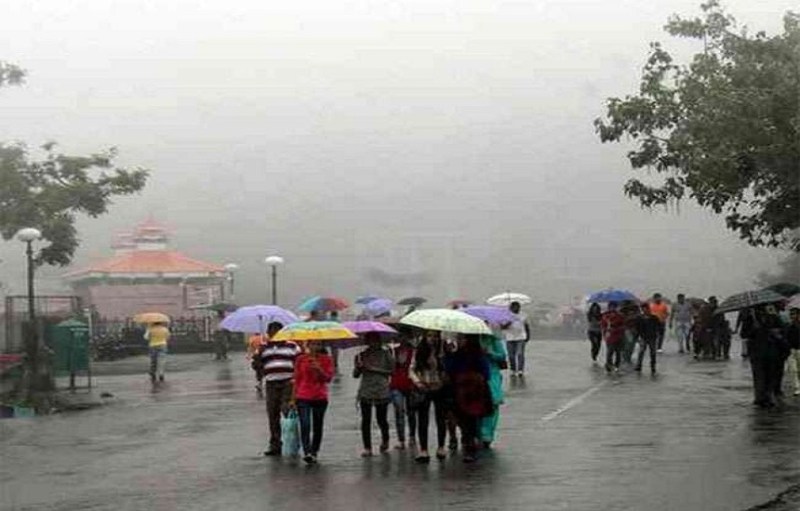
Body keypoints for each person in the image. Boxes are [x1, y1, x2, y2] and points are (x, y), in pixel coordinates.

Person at [254, 322, 300, 456]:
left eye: (277, 331)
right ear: (268, 333)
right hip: (271, 384)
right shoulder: (263, 348)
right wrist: (257, 358)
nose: (274, 334)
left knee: (287, 412)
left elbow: (299, 362)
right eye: (272, 331)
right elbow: (257, 367)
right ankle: (275, 445)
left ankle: (292, 443)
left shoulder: (292, 346)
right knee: (272, 414)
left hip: (289, 383)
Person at [444, 335, 492, 463]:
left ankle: (470, 447)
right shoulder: (456, 355)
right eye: (459, 339)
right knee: (461, 419)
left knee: (471, 420)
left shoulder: (478, 355)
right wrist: (448, 354)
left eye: (462, 339)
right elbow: (449, 370)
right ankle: (469, 443)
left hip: (474, 393)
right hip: (459, 392)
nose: (459, 342)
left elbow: (486, 374)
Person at [353, 332, 394, 457]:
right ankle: (367, 447)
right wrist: (359, 367)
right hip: (366, 390)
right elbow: (355, 375)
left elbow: (392, 371)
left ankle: (385, 440)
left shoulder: (386, 354)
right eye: (370, 340)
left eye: (376, 340)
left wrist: (373, 369)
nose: (373, 343)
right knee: (366, 420)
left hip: (382, 390)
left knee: (381, 419)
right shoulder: (361, 355)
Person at [409, 331, 447, 463]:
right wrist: (418, 382)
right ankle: (423, 449)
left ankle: (441, 447)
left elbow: (447, 369)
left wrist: (441, 360)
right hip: (424, 388)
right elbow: (412, 369)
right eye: (430, 336)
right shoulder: (419, 350)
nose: (432, 339)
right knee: (423, 419)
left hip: (439, 387)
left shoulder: (443, 350)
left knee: (441, 418)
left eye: (435, 336)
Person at [293, 342, 334, 464]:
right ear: (308, 345)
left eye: (317, 344)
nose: (315, 347)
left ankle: (315, 451)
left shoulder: (326, 359)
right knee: (305, 424)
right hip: (303, 396)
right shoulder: (301, 359)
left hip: (320, 396)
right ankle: (307, 452)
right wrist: (292, 398)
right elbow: (297, 378)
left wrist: (319, 368)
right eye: (312, 344)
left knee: (317, 426)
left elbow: (328, 378)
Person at [478, 333, 507, 449]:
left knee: (493, 403)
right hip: (476, 374)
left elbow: (502, 356)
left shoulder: (493, 339)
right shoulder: (470, 338)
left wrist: (490, 353)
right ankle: (477, 433)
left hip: (492, 374)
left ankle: (487, 434)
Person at [389, 333, 417, 450]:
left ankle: (412, 436)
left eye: (406, 336)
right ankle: (401, 440)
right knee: (399, 411)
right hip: (396, 385)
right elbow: (389, 367)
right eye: (401, 336)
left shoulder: (414, 352)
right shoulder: (393, 351)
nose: (403, 338)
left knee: (411, 412)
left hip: (410, 385)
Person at [502, 301, 530, 377]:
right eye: (514, 307)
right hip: (510, 337)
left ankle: (520, 370)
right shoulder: (506, 316)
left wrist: (528, 336)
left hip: (521, 337)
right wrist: (508, 322)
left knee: (520, 354)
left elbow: (527, 326)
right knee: (511, 355)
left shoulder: (523, 315)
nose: (516, 309)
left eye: (517, 307)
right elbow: (502, 327)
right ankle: (513, 369)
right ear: (511, 308)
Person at [635, 304, 660, 374]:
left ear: (649, 309)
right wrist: (637, 338)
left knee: (653, 352)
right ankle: (639, 365)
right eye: (643, 309)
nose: (645, 310)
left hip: (652, 337)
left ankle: (653, 366)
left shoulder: (654, 318)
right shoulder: (639, 318)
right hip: (643, 337)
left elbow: (659, 326)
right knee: (641, 351)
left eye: (646, 309)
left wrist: (658, 334)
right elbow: (637, 329)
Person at [601, 302, 625, 373]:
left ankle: (617, 365)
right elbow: (603, 326)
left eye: (614, 307)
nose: (612, 308)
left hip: (618, 336)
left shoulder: (620, 316)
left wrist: (615, 329)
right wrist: (605, 331)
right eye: (611, 307)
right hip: (609, 337)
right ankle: (609, 364)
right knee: (609, 351)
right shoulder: (605, 316)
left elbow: (623, 326)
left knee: (618, 352)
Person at [784, 307, 800, 396]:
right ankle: (797, 387)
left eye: (794, 314)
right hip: (791, 350)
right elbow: (785, 338)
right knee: (793, 370)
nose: (792, 316)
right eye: (791, 314)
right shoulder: (788, 326)